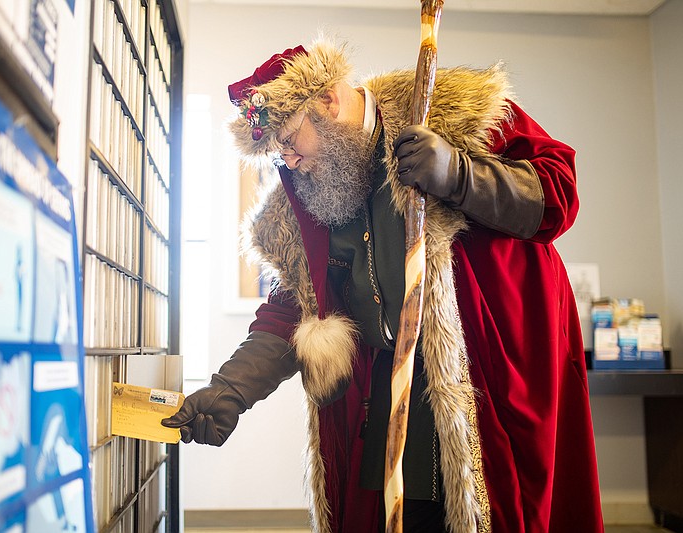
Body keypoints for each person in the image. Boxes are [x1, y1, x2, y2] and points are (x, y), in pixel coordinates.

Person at [162, 39, 604, 533]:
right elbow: (294, 309)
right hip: (386, 398)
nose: (286, 160)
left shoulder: (451, 110)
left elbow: (557, 193)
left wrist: (459, 174)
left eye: (289, 139)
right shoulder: (305, 202)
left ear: (329, 102)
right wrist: (230, 390)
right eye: (275, 151)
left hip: (488, 384)